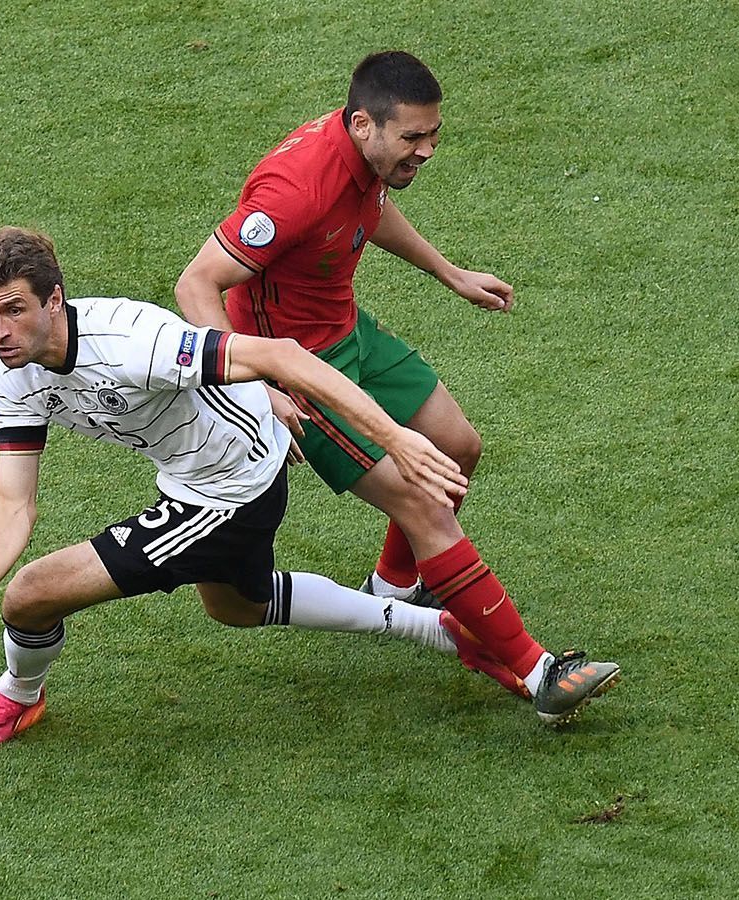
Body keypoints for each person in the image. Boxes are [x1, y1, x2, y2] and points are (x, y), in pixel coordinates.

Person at [0, 226, 535, 749]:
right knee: (237, 605)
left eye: (12, 310)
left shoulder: (134, 342)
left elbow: (284, 356)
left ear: (55, 300)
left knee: (32, 595)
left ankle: (16, 695)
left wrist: (397, 440)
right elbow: (14, 499)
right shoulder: (9, 374)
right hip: (200, 477)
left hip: (232, 489)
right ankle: (444, 630)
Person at [174, 51, 619, 724]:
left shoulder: (363, 158)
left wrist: (452, 274)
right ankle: (538, 676)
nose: (427, 150)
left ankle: (395, 585)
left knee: (457, 448)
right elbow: (196, 284)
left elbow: (367, 211)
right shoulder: (295, 187)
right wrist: (253, 383)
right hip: (301, 368)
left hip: (351, 334)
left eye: (433, 135)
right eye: (413, 138)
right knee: (425, 503)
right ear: (363, 126)